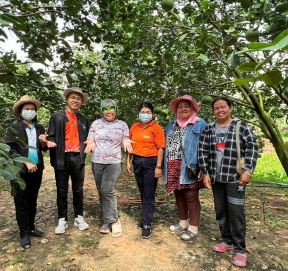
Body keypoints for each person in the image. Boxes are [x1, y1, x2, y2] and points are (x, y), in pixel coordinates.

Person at [198, 96, 258, 267]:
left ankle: (240, 249)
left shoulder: (240, 126)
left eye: (223, 107)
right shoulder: (209, 129)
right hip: (216, 179)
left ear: (230, 108)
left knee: (236, 213)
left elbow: (252, 147)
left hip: (235, 179)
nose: (220, 110)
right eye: (216, 108)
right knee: (221, 211)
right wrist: (206, 173)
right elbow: (203, 151)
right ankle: (227, 241)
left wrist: (248, 171)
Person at [84, 99, 133, 238]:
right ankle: (107, 220)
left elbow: (125, 139)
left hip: (114, 161)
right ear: (101, 111)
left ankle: (114, 220)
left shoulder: (122, 125)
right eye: (105, 109)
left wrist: (125, 142)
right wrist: (91, 143)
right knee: (101, 190)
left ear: (116, 110)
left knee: (107, 189)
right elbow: (91, 139)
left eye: (111, 108)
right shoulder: (96, 124)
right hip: (97, 161)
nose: (109, 111)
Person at [163, 95, 207, 242]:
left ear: (193, 108)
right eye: (180, 106)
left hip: (190, 165)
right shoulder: (171, 124)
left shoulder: (200, 124)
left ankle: (193, 227)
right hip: (173, 164)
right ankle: (183, 223)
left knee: (191, 196)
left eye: (186, 106)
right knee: (179, 194)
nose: (183, 109)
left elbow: (206, 147)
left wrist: (203, 167)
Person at [46, 88, 90, 234]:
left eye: (78, 98)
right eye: (72, 98)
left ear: (82, 102)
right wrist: (49, 142)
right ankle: (62, 219)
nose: (75, 100)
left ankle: (79, 216)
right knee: (62, 190)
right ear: (67, 99)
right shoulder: (57, 117)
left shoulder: (84, 120)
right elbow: (51, 136)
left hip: (78, 157)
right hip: (61, 157)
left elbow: (88, 139)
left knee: (78, 190)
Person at [6, 95, 48, 249]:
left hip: (37, 169)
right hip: (20, 171)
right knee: (21, 201)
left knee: (33, 199)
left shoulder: (40, 128)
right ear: (20, 111)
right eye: (27, 109)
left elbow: (43, 149)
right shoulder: (14, 128)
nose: (30, 111)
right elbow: (9, 149)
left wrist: (43, 142)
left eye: (32, 109)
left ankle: (31, 227)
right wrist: (26, 162)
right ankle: (23, 233)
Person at [126, 102, 165, 239]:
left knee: (149, 194)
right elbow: (129, 144)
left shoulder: (156, 128)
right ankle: (146, 218)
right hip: (137, 161)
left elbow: (161, 148)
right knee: (143, 192)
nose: (145, 114)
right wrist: (128, 161)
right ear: (139, 113)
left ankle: (147, 224)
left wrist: (158, 167)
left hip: (151, 163)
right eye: (143, 111)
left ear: (152, 114)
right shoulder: (134, 127)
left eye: (148, 112)